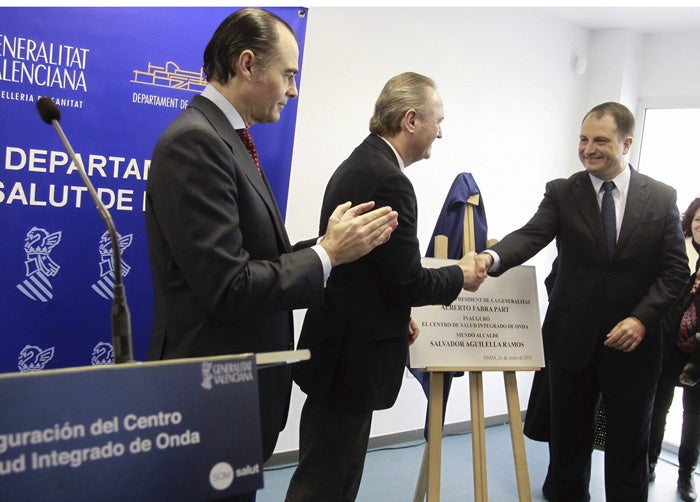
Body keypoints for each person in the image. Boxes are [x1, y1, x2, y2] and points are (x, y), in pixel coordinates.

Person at [144, 8, 398, 500]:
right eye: (289, 74)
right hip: (208, 394)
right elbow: (230, 286)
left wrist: (329, 248)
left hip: (235, 392)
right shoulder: (197, 142)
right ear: (247, 64)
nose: (294, 89)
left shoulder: (229, 139)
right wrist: (324, 255)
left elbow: (254, 257)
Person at [284, 72, 487, 501]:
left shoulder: (360, 163)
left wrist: (396, 316)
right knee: (325, 483)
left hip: (341, 351)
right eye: (438, 120)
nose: (441, 131)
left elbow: (370, 272)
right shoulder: (391, 180)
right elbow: (408, 281)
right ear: (411, 120)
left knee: (326, 475)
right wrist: (461, 275)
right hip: (352, 361)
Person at [475, 102, 689, 501]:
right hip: (571, 343)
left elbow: (675, 272)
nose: (589, 149)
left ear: (626, 143)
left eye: (601, 141)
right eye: (584, 139)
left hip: (635, 348)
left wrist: (642, 320)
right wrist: (490, 258)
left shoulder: (660, 198)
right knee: (568, 447)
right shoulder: (563, 192)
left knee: (629, 450)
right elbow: (531, 235)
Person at [649, 196, 700, 502]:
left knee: (694, 418)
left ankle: (685, 477)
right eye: (696, 221)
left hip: (699, 356)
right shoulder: (677, 252)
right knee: (657, 409)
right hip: (668, 346)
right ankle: (650, 461)